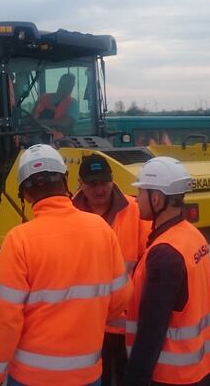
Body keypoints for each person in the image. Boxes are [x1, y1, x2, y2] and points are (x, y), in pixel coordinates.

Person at [0, 144, 132, 386]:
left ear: (25, 195)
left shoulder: (18, 240)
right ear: (65, 181)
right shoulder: (102, 230)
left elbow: (3, 320)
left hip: (31, 378)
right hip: (87, 375)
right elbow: (120, 300)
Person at [123, 157, 210, 386]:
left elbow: (152, 328)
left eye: (140, 193)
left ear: (156, 199)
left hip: (170, 374)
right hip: (196, 365)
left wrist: (134, 379)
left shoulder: (165, 253)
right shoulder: (191, 234)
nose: (136, 199)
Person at [72, 153, 151, 386]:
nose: (99, 190)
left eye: (104, 182)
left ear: (112, 179)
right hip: (84, 323)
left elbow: (149, 258)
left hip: (125, 324)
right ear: (80, 184)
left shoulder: (135, 210)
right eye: (92, 184)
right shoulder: (68, 215)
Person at [32, 73, 79, 137]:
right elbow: (32, 115)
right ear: (59, 82)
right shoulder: (43, 97)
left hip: (58, 139)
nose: (69, 87)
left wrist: (42, 122)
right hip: (34, 134)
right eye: (67, 83)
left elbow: (65, 122)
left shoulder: (73, 103)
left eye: (72, 85)